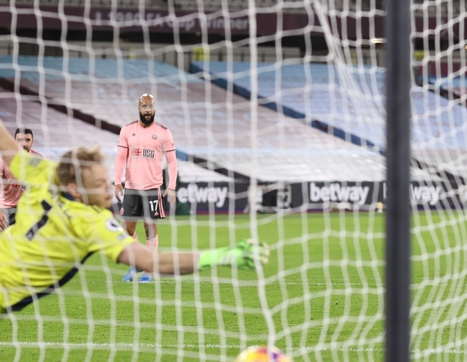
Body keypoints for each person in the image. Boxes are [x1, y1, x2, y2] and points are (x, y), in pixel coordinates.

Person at [0, 118, 268, 313]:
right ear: (75, 189)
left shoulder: (44, 171)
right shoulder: (94, 224)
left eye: (107, 180)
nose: (109, 189)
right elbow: (155, 263)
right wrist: (220, 256)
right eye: (100, 185)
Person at [114, 94, 178, 283]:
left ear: (154, 108)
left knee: (150, 226)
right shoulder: (127, 130)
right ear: (138, 107)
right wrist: (117, 182)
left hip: (152, 187)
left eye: (150, 106)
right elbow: (120, 158)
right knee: (127, 229)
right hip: (132, 188)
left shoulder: (164, 132)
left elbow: (172, 160)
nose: (147, 110)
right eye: (144, 106)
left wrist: (172, 185)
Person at [0, 128, 43, 231]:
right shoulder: (4, 159)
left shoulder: (39, 159)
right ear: (15, 142)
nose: (24, 144)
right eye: (20, 140)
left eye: (27, 140)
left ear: (32, 142)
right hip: (7, 207)